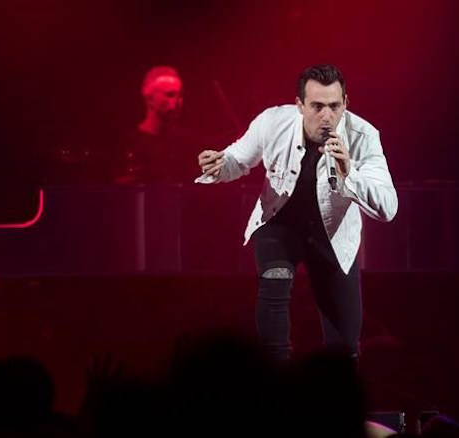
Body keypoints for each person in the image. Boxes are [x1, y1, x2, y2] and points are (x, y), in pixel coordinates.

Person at [196, 64, 398, 360]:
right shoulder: (272, 122)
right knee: (275, 281)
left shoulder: (363, 136)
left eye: (334, 106)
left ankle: (341, 403)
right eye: (317, 106)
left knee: (344, 345)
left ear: (345, 104)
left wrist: (350, 173)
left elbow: (388, 208)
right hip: (280, 224)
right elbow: (238, 159)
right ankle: (276, 390)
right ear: (299, 105)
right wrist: (219, 164)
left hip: (333, 234)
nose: (326, 116)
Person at [117, 65, 199, 184]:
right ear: (149, 99)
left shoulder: (185, 144)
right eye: (170, 95)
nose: (177, 102)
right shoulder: (129, 142)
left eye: (180, 95)